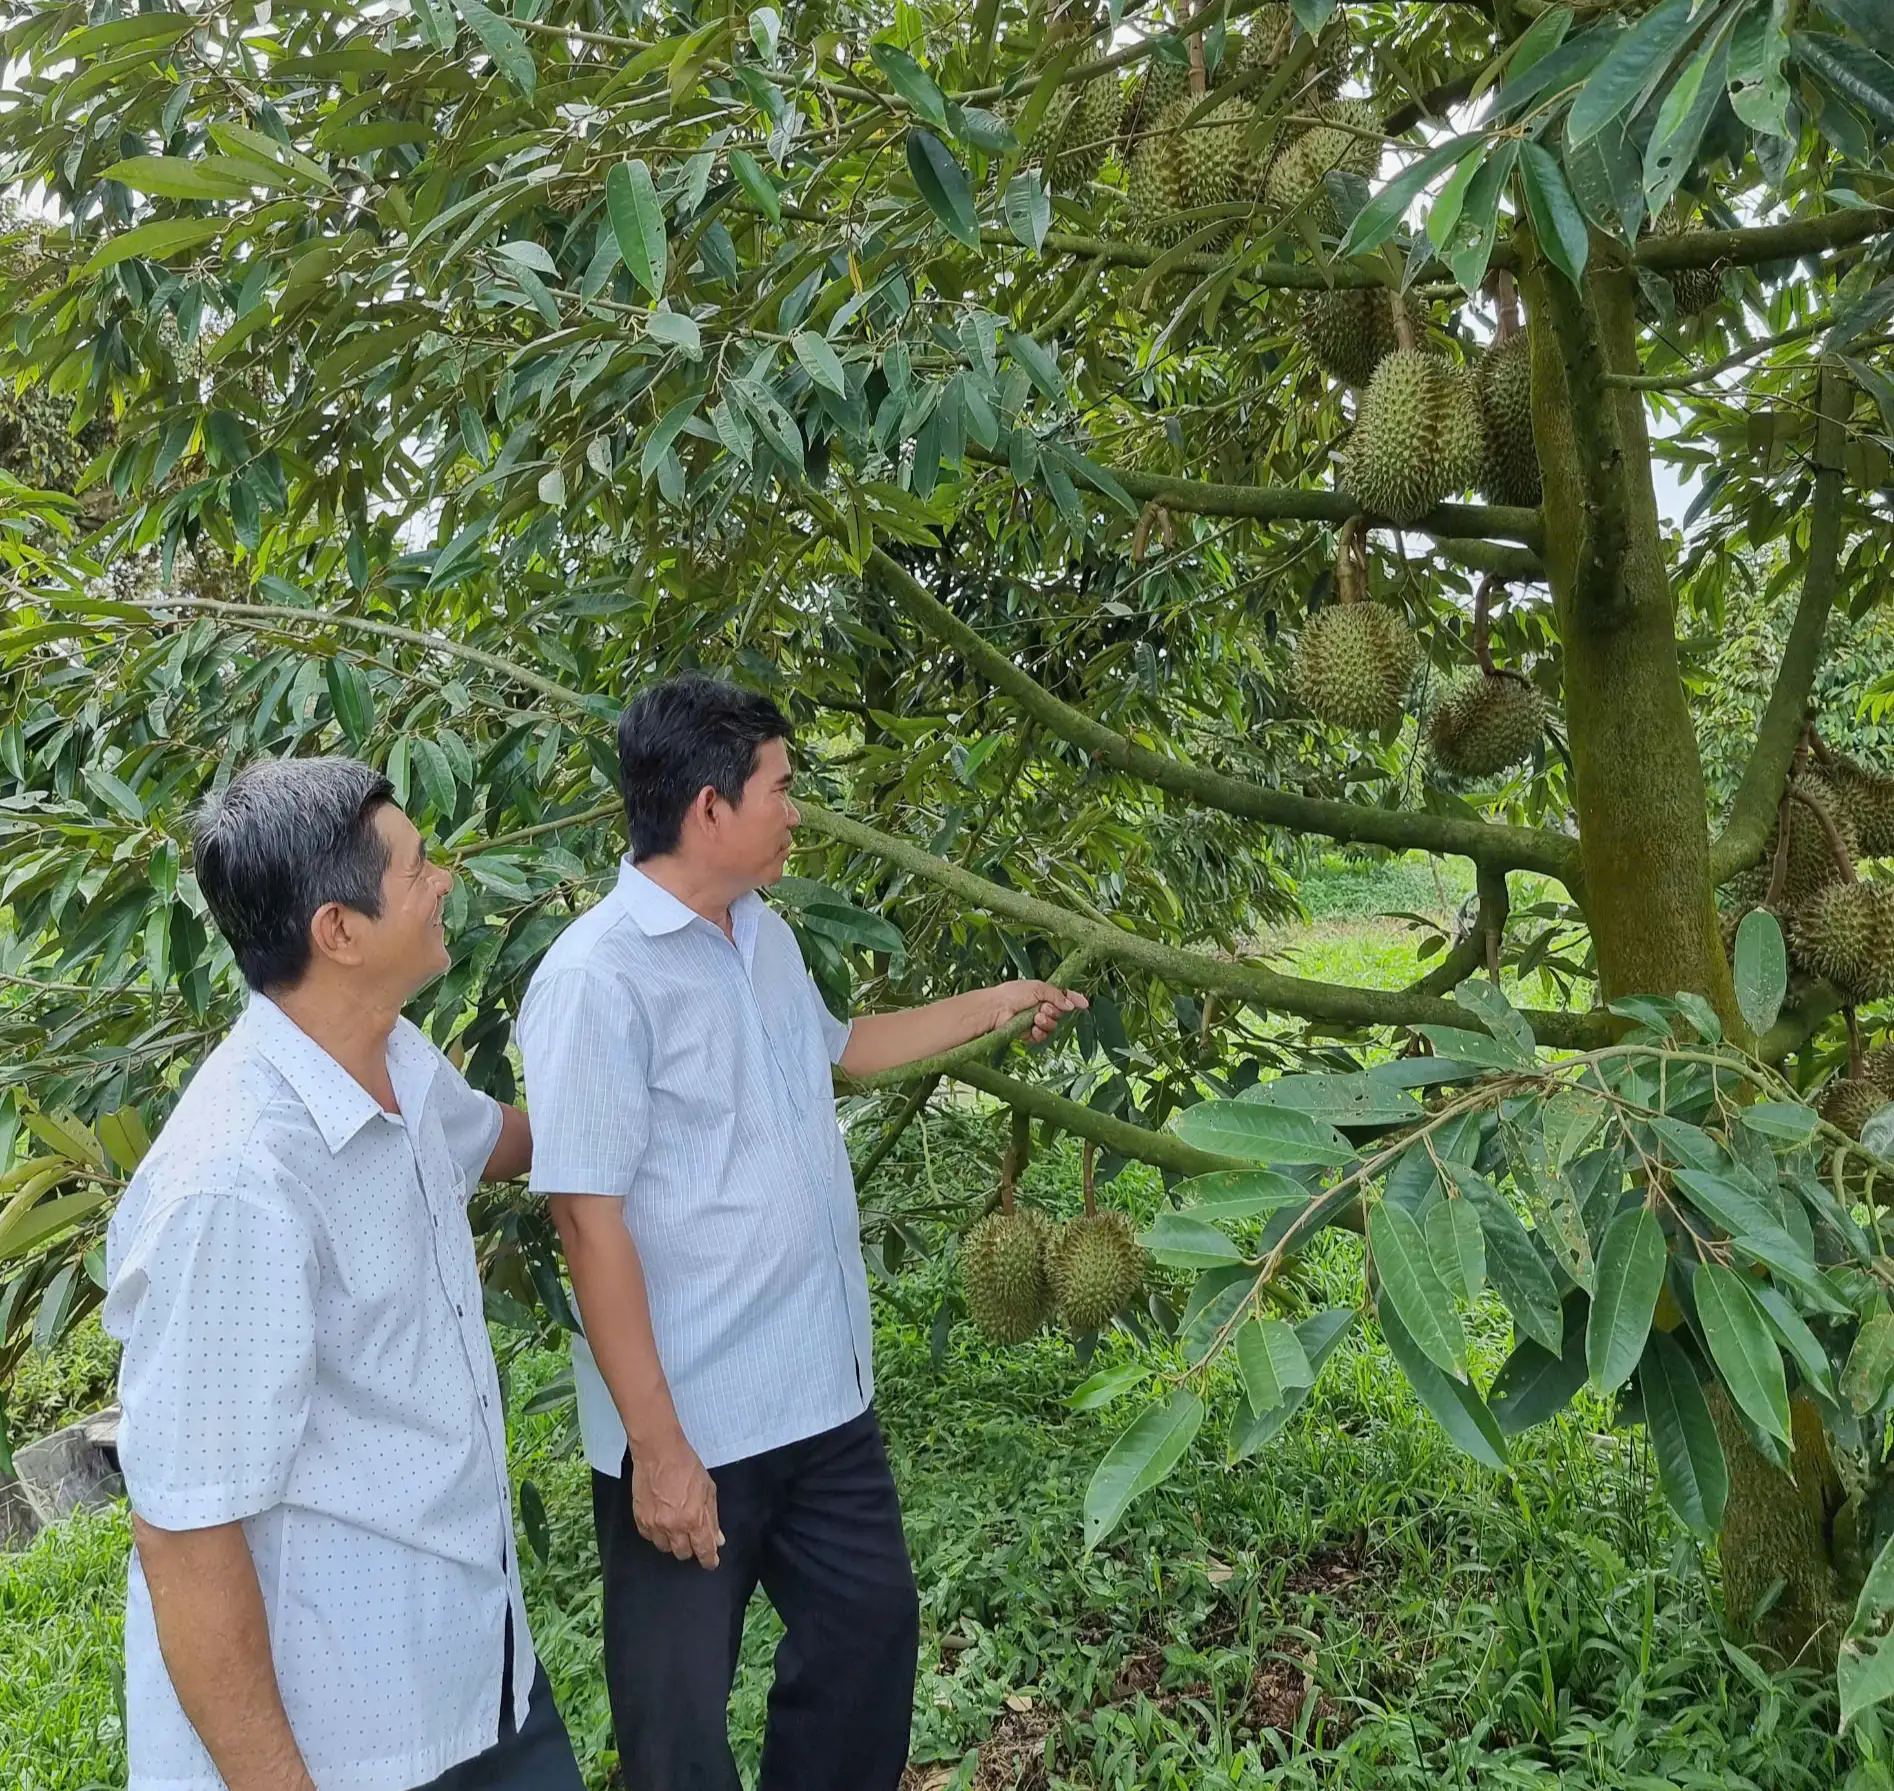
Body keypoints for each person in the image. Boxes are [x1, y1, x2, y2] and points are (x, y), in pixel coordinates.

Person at [517, 674, 1086, 1791]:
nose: (796, 809)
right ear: (709, 810)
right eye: (781, 786)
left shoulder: (758, 932)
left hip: (819, 1396)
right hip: (691, 1421)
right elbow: (586, 1222)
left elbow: (841, 1047)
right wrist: (661, 1451)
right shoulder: (595, 981)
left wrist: (994, 1003)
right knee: (676, 1719)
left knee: (867, 1640)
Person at [103, 757, 585, 1791]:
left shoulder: (395, 1062)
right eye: (416, 868)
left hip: (473, 1664)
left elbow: (493, 1138)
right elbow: (185, 1534)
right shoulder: (235, 1184)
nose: (444, 878)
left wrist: (627, 1121)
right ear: (340, 931)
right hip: (345, 1739)